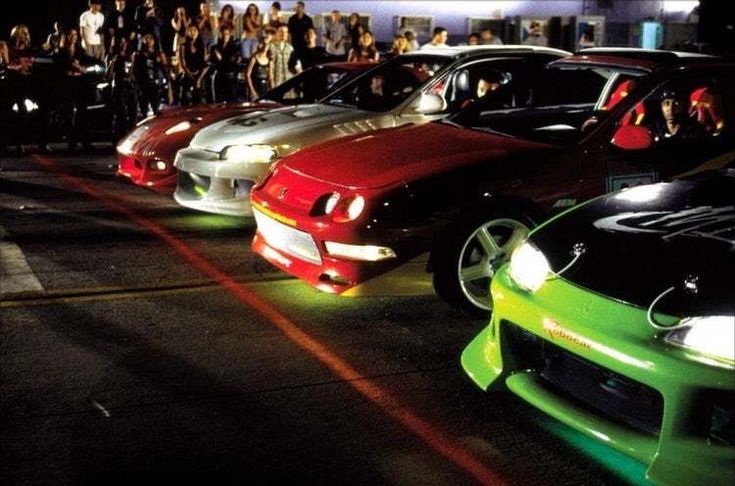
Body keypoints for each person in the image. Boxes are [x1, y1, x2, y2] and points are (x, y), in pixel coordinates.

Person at [55, 29, 90, 149]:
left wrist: (77, 67)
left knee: (82, 111)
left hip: (79, 83)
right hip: (67, 83)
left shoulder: (81, 51)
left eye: (75, 34)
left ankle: (85, 140)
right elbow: (61, 68)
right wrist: (72, 67)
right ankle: (71, 140)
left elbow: (85, 69)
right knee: (68, 111)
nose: (73, 37)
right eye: (70, 34)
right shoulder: (60, 52)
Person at [107, 36, 137, 136]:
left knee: (132, 110)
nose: (123, 44)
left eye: (125, 42)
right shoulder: (113, 56)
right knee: (120, 112)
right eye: (121, 42)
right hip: (119, 86)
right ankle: (119, 134)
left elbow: (132, 71)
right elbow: (108, 74)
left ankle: (132, 132)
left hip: (129, 85)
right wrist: (112, 63)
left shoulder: (130, 55)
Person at [133, 33, 169, 116]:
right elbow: (135, 71)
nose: (149, 41)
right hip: (143, 85)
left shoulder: (157, 54)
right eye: (146, 38)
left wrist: (168, 85)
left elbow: (164, 69)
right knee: (143, 110)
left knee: (156, 108)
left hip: (154, 85)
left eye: (151, 38)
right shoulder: (138, 55)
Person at [178, 25, 208, 105]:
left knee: (199, 100)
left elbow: (204, 64)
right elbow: (183, 62)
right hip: (188, 75)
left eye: (195, 30)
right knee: (185, 100)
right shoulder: (183, 46)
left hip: (199, 75)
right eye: (190, 30)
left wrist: (199, 78)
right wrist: (189, 74)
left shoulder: (202, 47)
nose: (193, 33)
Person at [211, 26, 239, 102]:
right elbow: (213, 61)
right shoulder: (215, 47)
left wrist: (222, 58)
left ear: (229, 35)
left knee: (231, 100)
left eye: (226, 34)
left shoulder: (234, 47)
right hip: (220, 75)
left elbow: (232, 61)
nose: (224, 36)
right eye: (223, 34)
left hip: (230, 76)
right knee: (218, 99)